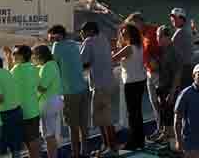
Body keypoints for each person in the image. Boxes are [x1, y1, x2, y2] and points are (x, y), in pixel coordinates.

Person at [48, 24, 89, 158]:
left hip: (70, 92)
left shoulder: (57, 46)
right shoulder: (73, 44)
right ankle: (85, 151)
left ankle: (76, 154)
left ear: (56, 35)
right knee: (83, 124)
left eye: (51, 37)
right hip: (83, 88)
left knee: (73, 126)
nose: (50, 40)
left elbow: (52, 67)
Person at [80, 21, 118, 155]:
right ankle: (106, 146)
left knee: (103, 118)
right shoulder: (104, 38)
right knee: (104, 117)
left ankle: (111, 148)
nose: (81, 34)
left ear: (90, 31)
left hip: (99, 85)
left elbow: (82, 62)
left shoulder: (89, 41)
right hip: (109, 82)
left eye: (83, 31)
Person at [125, 12, 162, 139]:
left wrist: (156, 60)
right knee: (154, 102)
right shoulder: (141, 34)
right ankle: (159, 129)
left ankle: (166, 132)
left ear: (139, 22)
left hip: (158, 73)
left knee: (161, 102)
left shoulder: (154, 31)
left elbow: (164, 48)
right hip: (149, 72)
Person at [112, 24, 147, 150]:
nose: (122, 34)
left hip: (131, 83)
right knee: (137, 112)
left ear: (130, 34)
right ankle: (140, 140)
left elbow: (113, 58)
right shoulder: (139, 46)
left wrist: (115, 47)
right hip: (140, 81)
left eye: (124, 32)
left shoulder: (128, 48)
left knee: (132, 114)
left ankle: (133, 142)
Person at [3, 45, 41, 158]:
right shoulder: (34, 68)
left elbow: (8, 77)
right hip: (34, 110)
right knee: (33, 141)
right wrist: (9, 57)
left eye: (15, 54)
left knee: (27, 143)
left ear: (21, 56)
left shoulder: (17, 69)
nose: (14, 56)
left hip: (22, 112)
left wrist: (8, 58)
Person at [33, 44, 63, 158]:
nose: (33, 59)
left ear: (40, 56)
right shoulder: (52, 64)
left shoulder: (47, 67)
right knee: (53, 134)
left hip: (48, 103)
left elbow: (42, 87)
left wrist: (32, 82)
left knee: (49, 136)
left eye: (34, 56)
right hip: (54, 101)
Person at [157, 25, 182, 151]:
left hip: (169, 88)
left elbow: (177, 74)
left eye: (159, 36)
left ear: (166, 37)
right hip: (163, 87)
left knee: (171, 116)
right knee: (165, 114)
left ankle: (173, 146)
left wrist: (172, 92)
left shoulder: (173, 52)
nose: (157, 39)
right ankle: (166, 136)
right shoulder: (164, 50)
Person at [170, 7, 194, 88]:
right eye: (172, 17)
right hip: (188, 65)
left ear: (182, 19)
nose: (172, 19)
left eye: (175, 18)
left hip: (182, 68)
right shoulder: (187, 29)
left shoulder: (179, 32)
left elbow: (168, 47)